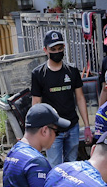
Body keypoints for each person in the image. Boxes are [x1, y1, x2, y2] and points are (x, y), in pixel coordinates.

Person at [30, 30, 91, 168]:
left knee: (72, 165)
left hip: (72, 127)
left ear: (64, 47)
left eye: (60, 48)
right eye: (53, 49)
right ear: (46, 50)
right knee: (55, 167)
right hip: (52, 130)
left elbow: (80, 98)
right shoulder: (38, 74)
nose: (57, 52)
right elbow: (36, 104)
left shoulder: (72, 70)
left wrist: (86, 126)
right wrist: (36, 131)